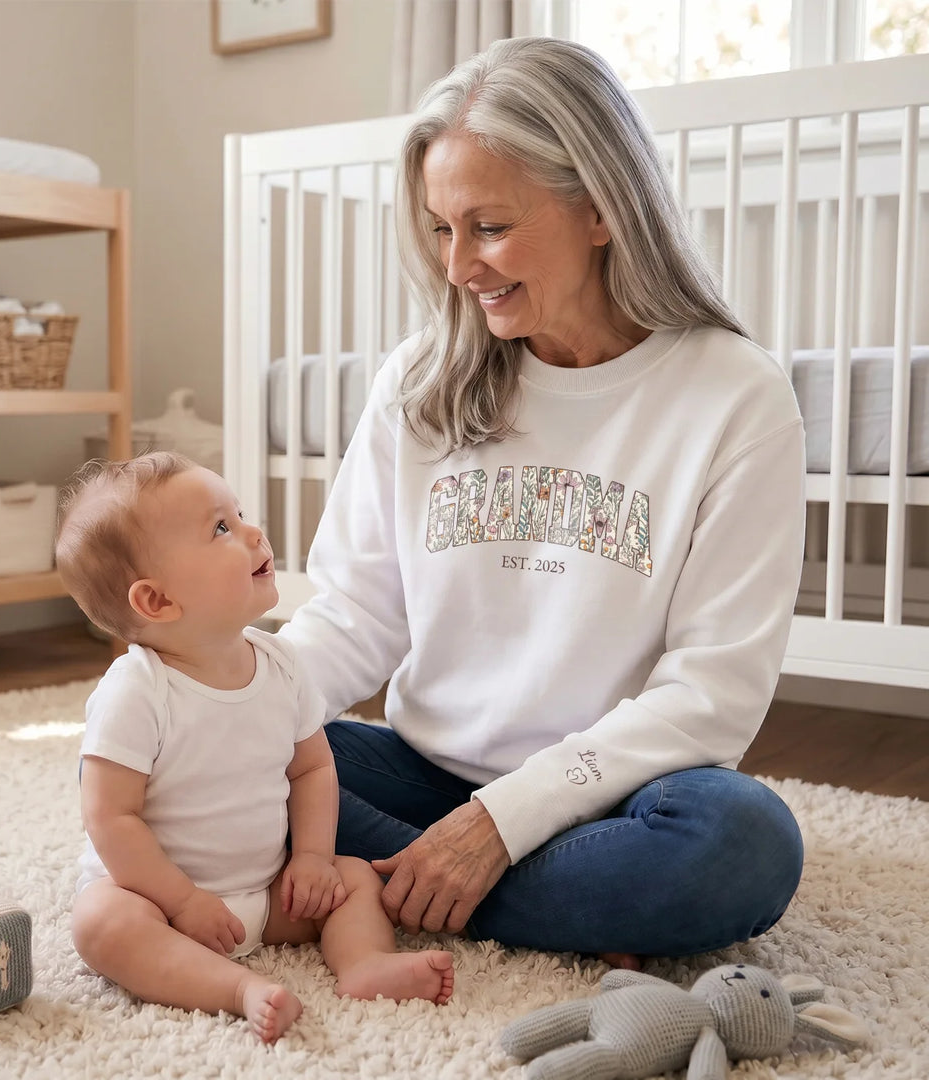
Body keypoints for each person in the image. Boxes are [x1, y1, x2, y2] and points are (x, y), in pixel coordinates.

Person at [279, 37, 807, 968]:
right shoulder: (421, 379)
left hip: (614, 798)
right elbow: (356, 611)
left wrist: (503, 822)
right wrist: (219, 708)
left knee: (744, 844)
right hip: (420, 772)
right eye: (443, 230)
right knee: (237, 747)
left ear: (601, 208)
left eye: (488, 227)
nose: (456, 266)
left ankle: (393, 884)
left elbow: (711, 695)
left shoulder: (735, 397)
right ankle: (551, 904)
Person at [55, 452, 453, 1044]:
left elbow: (314, 767)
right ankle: (235, 989)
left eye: (237, 514)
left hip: (266, 893)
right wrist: (183, 901)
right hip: (161, 903)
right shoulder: (137, 691)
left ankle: (364, 965)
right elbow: (110, 817)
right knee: (100, 925)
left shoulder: (282, 665)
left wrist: (313, 858)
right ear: (156, 602)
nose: (252, 531)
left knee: (357, 881)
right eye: (221, 528)